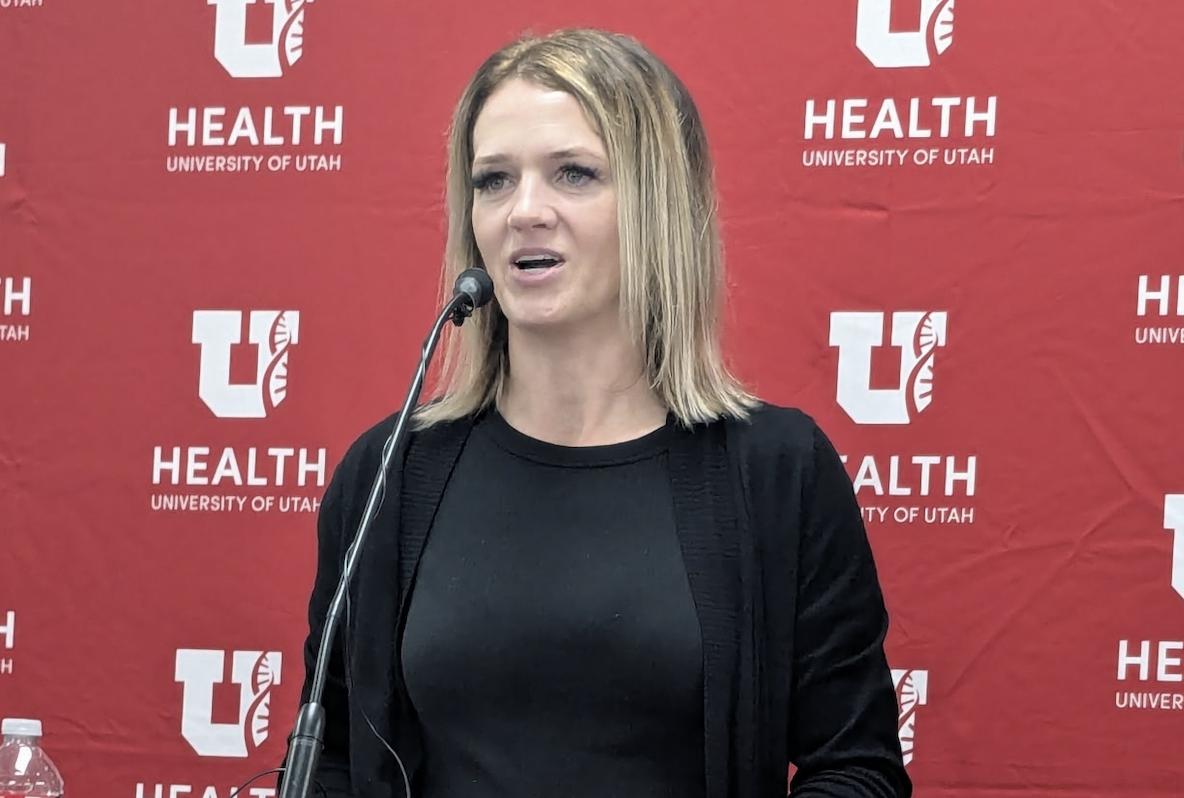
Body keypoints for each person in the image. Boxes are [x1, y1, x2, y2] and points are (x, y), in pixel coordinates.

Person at [295, 27, 911, 798]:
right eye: (493, 180)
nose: (524, 212)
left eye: (574, 174)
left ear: (658, 205)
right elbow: (332, 762)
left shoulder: (777, 469)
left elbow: (855, 770)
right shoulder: (388, 473)